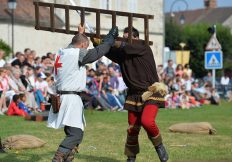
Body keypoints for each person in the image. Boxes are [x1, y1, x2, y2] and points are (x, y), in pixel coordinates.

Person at [93, 27, 168, 162]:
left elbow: (123, 45)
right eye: (123, 37)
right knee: (132, 129)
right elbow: (108, 51)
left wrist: (109, 40)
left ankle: (159, 146)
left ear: (136, 38)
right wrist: (97, 42)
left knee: (147, 121)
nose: (123, 40)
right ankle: (131, 156)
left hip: (151, 91)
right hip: (133, 95)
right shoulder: (123, 54)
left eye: (126, 37)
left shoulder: (143, 46)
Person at [48, 25, 118, 162]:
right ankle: (57, 158)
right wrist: (110, 39)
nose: (86, 50)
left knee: (74, 133)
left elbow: (74, 44)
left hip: (62, 97)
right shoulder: (77, 53)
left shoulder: (62, 52)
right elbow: (97, 53)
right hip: (70, 98)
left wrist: (80, 34)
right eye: (86, 47)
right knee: (75, 135)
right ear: (82, 45)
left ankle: (68, 158)